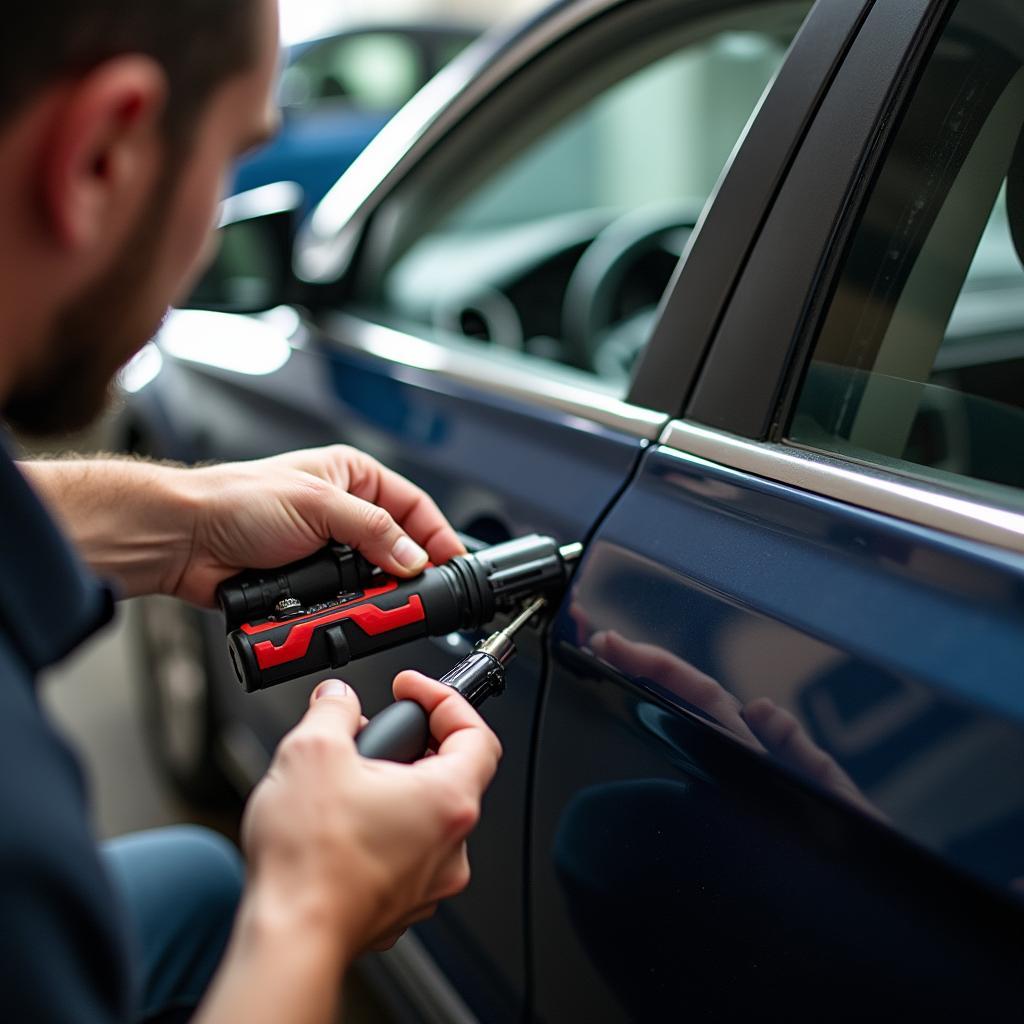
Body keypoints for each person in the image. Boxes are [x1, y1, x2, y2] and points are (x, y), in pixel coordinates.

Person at [0, 1, 501, 1021]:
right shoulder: (16, 828)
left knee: (197, 883)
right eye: (232, 159)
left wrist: (178, 517)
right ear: (102, 155)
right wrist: (311, 914)